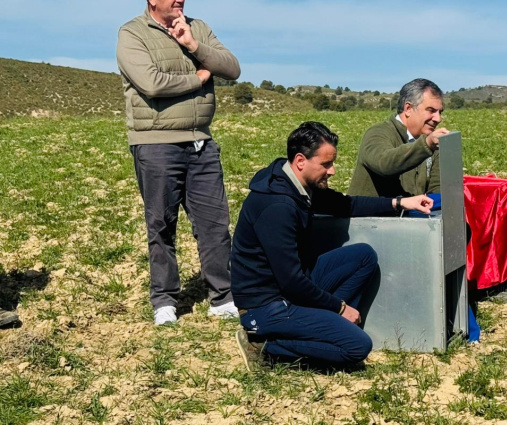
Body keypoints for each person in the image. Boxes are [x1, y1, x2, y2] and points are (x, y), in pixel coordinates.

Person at [231, 122, 433, 370]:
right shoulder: (277, 206)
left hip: (288, 289)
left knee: (363, 256)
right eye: (326, 164)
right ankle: (264, 346)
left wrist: (400, 203)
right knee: (357, 347)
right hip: (265, 306)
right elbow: (291, 281)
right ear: (301, 160)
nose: (333, 171)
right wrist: (339, 308)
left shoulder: (297, 185)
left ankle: (323, 324)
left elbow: (345, 204)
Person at [117, 0, 241, 325]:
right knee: (160, 224)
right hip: (156, 142)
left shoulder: (198, 27)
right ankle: (164, 301)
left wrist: (193, 45)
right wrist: (199, 78)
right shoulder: (132, 33)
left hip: (201, 140)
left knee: (214, 223)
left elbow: (232, 68)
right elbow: (152, 83)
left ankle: (223, 296)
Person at [348, 79, 450, 198]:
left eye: (440, 112)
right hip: (369, 216)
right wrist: (426, 145)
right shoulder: (378, 133)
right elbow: (384, 164)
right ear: (408, 108)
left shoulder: (432, 145)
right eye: (431, 110)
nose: (438, 119)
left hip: (411, 216)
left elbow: (438, 190)